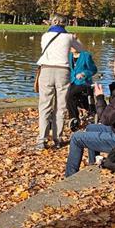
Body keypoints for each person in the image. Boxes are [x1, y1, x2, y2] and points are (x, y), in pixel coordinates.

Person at [36, 15, 85, 148]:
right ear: (66, 23)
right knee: (61, 107)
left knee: (44, 105)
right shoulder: (69, 37)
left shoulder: (45, 36)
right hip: (63, 71)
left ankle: (42, 140)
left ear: (53, 22)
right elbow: (81, 49)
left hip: (46, 70)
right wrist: (75, 39)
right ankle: (57, 139)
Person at [65, 45, 97, 132]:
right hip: (72, 82)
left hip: (84, 82)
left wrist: (84, 73)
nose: (71, 47)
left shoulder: (86, 55)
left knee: (70, 95)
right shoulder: (69, 56)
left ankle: (75, 119)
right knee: (68, 97)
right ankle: (74, 119)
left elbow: (94, 69)